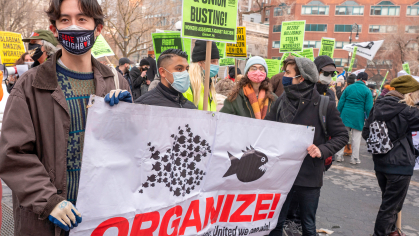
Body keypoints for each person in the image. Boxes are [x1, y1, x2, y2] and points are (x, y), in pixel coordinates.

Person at [0, 0, 131, 235]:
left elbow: (131, 153)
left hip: (103, 219)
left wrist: (129, 120)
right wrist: (48, 200)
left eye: (82, 19)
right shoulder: (30, 86)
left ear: (97, 29)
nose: (73, 27)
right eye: (65, 20)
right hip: (47, 222)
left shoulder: (117, 82)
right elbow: (13, 154)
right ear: (54, 30)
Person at [265, 57, 348, 236]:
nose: (284, 76)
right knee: (275, 224)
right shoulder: (281, 101)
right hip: (281, 175)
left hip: (309, 176)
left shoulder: (325, 104)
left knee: (308, 226)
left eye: (288, 73)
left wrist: (322, 150)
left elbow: (342, 135)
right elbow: (267, 129)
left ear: (301, 78)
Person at [362, 75, 419, 236]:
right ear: (409, 93)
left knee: (389, 203)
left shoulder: (378, 104)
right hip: (400, 164)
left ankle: (392, 231)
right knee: (390, 207)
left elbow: (366, 132)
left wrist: (383, 142)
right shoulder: (408, 111)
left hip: (381, 163)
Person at [335, 72, 373, 164]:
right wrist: (370, 119)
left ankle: (339, 155)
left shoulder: (349, 88)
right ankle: (354, 158)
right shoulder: (367, 91)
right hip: (358, 116)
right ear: (365, 81)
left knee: (343, 135)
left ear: (357, 78)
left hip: (346, 114)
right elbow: (369, 107)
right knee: (356, 138)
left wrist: (337, 114)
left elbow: (341, 102)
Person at [184, 40, 219, 111]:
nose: (216, 65)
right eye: (212, 61)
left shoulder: (209, 84)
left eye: (217, 61)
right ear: (200, 62)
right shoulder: (187, 85)